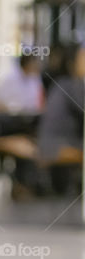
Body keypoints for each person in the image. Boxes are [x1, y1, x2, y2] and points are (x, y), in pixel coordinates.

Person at [37, 45, 84, 181]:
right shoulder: (71, 85)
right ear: (72, 63)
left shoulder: (63, 83)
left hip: (55, 142)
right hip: (58, 145)